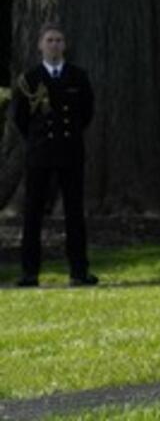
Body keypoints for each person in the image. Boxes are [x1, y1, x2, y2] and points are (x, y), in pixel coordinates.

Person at [13, 23, 97, 287]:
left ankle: (79, 271)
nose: (54, 45)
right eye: (49, 40)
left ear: (65, 45)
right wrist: (38, 139)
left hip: (70, 152)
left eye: (59, 40)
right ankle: (29, 272)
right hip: (40, 154)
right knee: (33, 213)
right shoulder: (29, 79)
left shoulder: (78, 77)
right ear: (40, 45)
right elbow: (21, 118)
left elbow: (86, 113)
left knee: (74, 213)